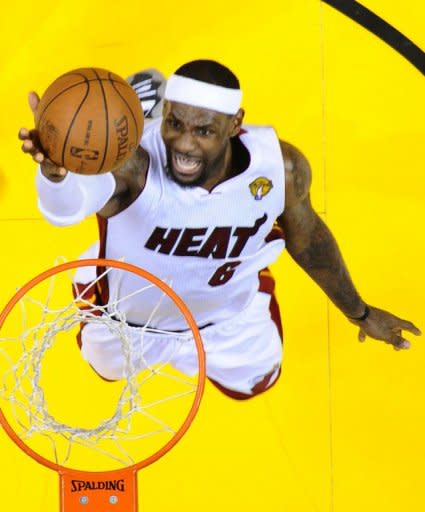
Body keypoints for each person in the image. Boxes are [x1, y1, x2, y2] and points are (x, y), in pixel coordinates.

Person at [19, 60, 421, 400]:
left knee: (257, 382)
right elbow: (65, 211)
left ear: (235, 125)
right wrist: (54, 176)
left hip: (224, 322)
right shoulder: (132, 164)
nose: (185, 145)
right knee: (104, 369)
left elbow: (309, 240)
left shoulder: (281, 168)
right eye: (174, 123)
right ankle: (141, 113)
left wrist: (360, 312)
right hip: (130, 320)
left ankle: (143, 108)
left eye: (204, 131)